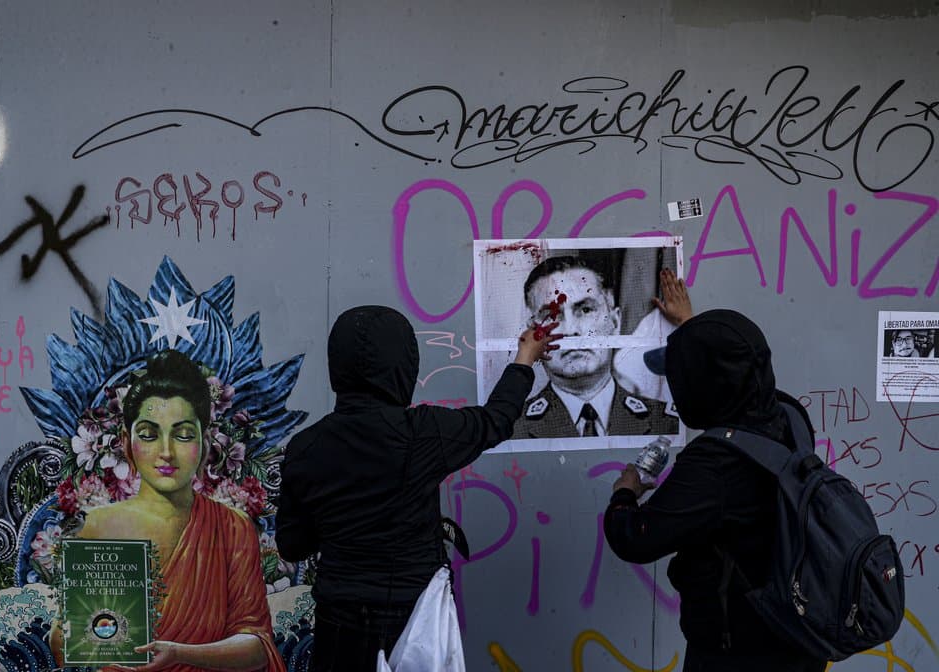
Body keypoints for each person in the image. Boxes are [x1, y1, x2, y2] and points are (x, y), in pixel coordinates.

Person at [274, 305, 561, 672]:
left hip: (338, 629)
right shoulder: (423, 433)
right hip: (413, 627)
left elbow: (293, 544)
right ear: (403, 364)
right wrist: (525, 357)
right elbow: (496, 420)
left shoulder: (306, 447)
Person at [603, 309, 828, 672]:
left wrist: (624, 494)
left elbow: (635, 538)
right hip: (797, 634)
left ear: (702, 384)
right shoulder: (789, 416)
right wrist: (692, 332)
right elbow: (731, 368)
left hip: (740, 652)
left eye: (680, 378)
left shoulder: (715, 462)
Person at [58, 349, 286, 672]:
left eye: (183, 435)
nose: (166, 452)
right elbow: (67, 642)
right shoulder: (97, 526)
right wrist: (70, 632)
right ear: (127, 442)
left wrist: (180, 653)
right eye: (149, 435)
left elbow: (256, 645)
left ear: (205, 443)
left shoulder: (232, 529)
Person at [510, 255, 679, 439]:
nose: (571, 330)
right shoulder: (511, 431)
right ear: (534, 333)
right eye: (551, 316)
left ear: (615, 322)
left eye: (586, 310)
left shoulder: (667, 424)